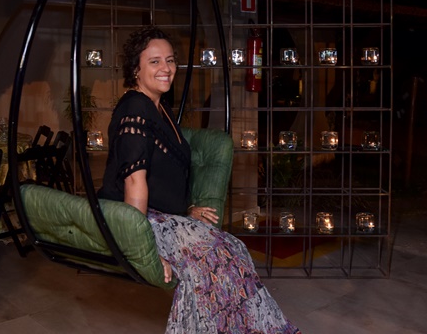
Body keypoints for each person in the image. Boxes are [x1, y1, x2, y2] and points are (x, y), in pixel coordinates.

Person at [98, 26, 301, 334]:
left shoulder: (159, 107)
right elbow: (134, 184)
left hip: (161, 215)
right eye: (154, 61)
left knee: (233, 248)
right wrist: (144, 251)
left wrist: (186, 209)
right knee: (214, 257)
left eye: (170, 60)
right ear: (135, 68)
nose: (166, 68)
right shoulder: (135, 108)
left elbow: (163, 174)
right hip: (136, 220)